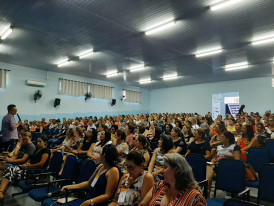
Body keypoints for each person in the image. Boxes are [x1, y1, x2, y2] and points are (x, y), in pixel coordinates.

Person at [43, 144, 120, 206]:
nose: (98, 156)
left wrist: (91, 202)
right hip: (88, 200)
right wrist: (70, 187)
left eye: (100, 154)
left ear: (105, 156)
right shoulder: (100, 166)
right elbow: (88, 183)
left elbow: (108, 195)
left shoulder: (113, 171)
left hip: (97, 202)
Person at [139, 153, 207, 206]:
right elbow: (143, 204)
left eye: (165, 167)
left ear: (177, 170)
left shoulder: (195, 198)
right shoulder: (159, 185)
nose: (161, 171)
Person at [0, 135, 50, 199]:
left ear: (45, 142)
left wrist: (28, 166)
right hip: (28, 168)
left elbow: (41, 164)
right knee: (10, 169)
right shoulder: (38, 149)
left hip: (34, 171)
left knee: (10, 171)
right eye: (37, 141)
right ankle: (1, 191)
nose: (38, 143)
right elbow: (30, 159)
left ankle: (1, 191)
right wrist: (25, 164)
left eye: (40, 141)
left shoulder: (46, 151)